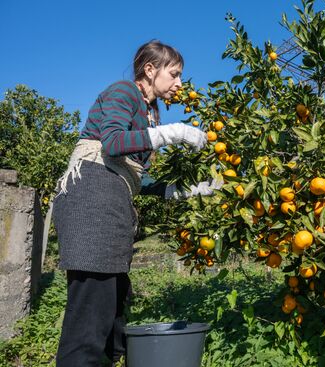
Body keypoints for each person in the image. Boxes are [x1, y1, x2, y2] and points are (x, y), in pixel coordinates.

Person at [53, 40, 218, 366]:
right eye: (175, 74)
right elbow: (113, 144)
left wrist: (189, 189)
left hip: (110, 206)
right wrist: (175, 132)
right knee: (89, 324)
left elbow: (132, 178)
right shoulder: (124, 92)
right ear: (150, 69)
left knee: (113, 320)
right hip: (91, 207)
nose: (180, 84)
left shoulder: (149, 112)